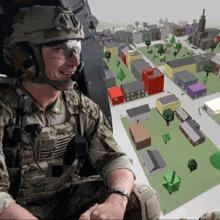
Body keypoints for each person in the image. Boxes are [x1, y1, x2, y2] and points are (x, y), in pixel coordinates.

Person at [0, 5, 162, 220]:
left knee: (143, 199)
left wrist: (117, 199)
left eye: (75, 48)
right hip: (14, 208)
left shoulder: (82, 107)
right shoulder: (5, 111)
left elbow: (113, 159)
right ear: (26, 57)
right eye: (60, 48)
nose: (75, 61)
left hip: (66, 197)